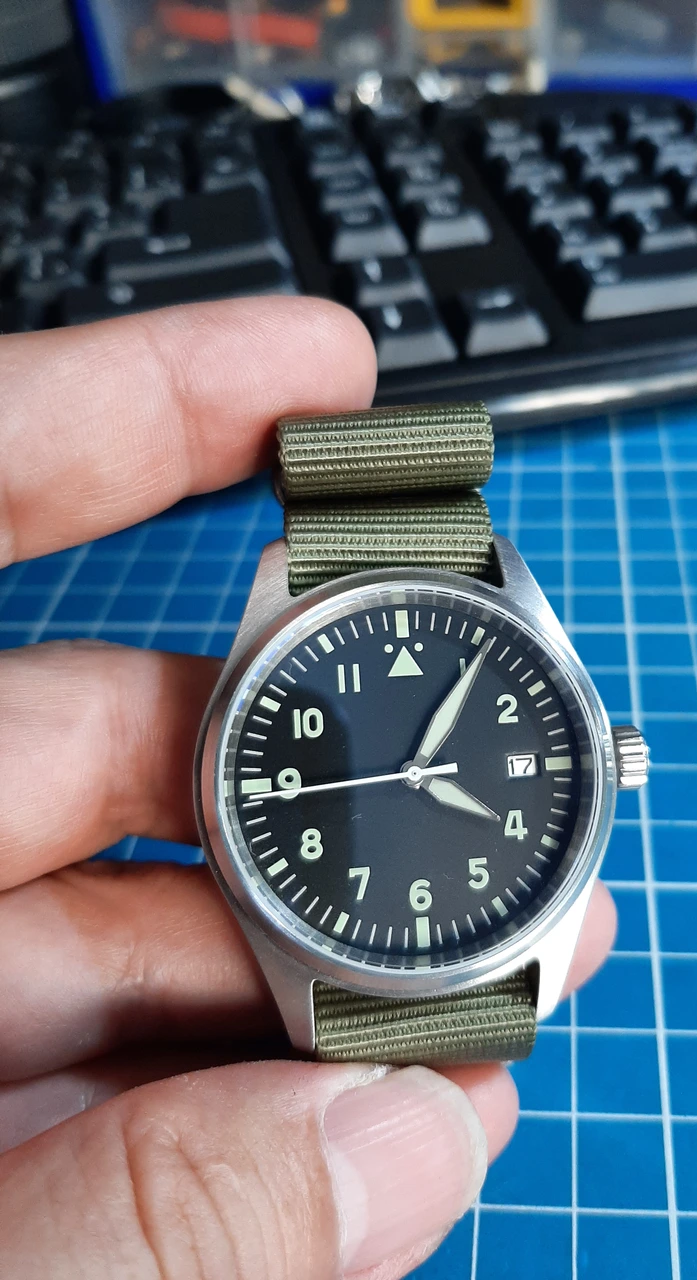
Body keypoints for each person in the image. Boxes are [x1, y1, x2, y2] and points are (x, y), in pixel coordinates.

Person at [0, 296, 617, 1279]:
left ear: (605, 760)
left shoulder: (481, 595)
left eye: (423, 772)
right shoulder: (293, 591)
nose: (416, 776)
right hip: (321, 943)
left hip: (433, 937)